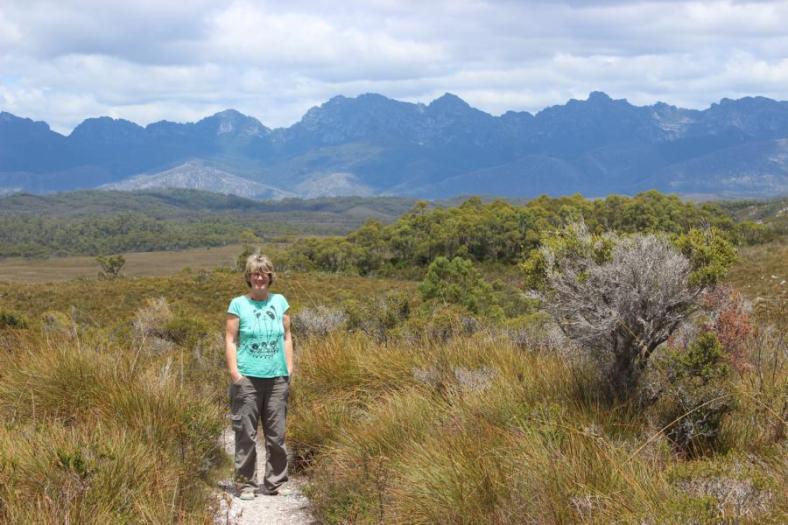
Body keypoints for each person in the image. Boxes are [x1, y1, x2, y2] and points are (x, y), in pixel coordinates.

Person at [225, 252, 293, 500]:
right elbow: (231, 340)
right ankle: (246, 484)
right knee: (246, 434)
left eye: (264, 273)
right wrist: (235, 375)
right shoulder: (238, 305)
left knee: (276, 434)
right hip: (248, 379)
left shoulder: (280, 302)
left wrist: (289, 369)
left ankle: (274, 482)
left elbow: (286, 336)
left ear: (270, 276)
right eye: (255, 273)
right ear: (249, 277)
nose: (260, 277)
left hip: (277, 379)